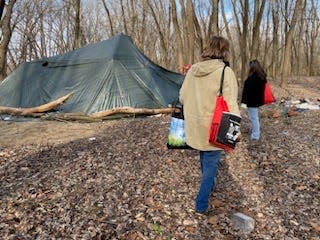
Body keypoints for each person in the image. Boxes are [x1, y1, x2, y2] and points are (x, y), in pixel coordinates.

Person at [179, 36, 240, 214]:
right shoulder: (225, 72)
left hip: (195, 126)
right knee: (211, 164)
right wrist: (236, 130)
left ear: (207, 49)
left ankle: (209, 185)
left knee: (205, 158)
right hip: (215, 127)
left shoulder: (192, 70)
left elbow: (182, 97)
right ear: (224, 51)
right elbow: (231, 103)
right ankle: (201, 203)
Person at [241, 59, 267, 141]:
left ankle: (256, 135)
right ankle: (256, 133)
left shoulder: (252, 78)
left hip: (252, 102)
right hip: (257, 101)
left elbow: (247, 92)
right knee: (254, 118)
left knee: (254, 118)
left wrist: (243, 103)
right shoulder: (261, 77)